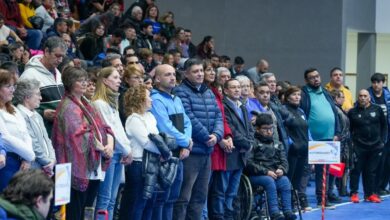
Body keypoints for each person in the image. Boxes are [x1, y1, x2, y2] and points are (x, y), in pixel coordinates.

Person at [52, 66, 114, 220]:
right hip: (74, 167)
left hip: (92, 165)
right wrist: (101, 147)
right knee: (74, 211)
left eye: (86, 79)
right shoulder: (68, 106)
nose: (85, 83)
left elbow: (105, 127)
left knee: (87, 209)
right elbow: (79, 134)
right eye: (80, 80)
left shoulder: (86, 103)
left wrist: (110, 144)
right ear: (70, 83)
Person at [173, 58, 224, 220]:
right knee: (184, 197)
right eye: (195, 71)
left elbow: (218, 116)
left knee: (200, 196)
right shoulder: (180, 91)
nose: (200, 74)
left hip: (207, 150)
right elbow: (187, 117)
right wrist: (206, 136)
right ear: (186, 74)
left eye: (201, 71)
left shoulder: (208, 91)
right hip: (192, 151)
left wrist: (217, 135)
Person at [150, 64, 193, 220]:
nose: (173, 77)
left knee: (172, 199)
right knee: (161, 199)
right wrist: (186, 142)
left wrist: (186, 143)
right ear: (157, 79)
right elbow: (165, 127)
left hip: (179, 154)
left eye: (174, 74)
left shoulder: (177, 99)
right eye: (168, 74)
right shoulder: (156, 99)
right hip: (164, 156)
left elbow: (187, 123)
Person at [92, 67, 133, 220]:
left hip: (119, 154)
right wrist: (126, 150)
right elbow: (110, 130)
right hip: (108, 156)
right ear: (104, 80)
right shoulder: (99, 104)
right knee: (104, 199)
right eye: (115, 77)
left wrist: (127, 149)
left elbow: (120, 129)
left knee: (112, 200)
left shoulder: (111, 103)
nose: (119, 80)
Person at [210, 79, 254, 219]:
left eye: (238, 87)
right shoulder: (224, 106)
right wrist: (247, 144)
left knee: (232, 191)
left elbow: (250, 129)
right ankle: (219, 216)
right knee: (221, 190)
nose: (237, 90)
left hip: (241, 155)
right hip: (228, 154)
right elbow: (231, 130)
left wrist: (250, 143)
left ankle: (229, 215)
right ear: (226, 91)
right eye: (233, 87)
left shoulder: (242, 107)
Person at [300, 68, 340, 209]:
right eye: (312, 77)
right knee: (306, 171)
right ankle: (302, 200)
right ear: (306, 80)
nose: (316, 79)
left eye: (317, 76)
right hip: (311, 139)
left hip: (329, 138)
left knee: (324, 172)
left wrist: (337, 133)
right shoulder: (304, 94)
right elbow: (301, 115)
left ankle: (322, 199)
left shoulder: (325, 92)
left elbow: (334, 113)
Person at [119, 84, 160, 220]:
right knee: (136, 203)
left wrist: (162, 149)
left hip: (152, 164)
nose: (151, 100)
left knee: (149, 203)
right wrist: (164, 152)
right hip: (137, 165)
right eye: (148, 97)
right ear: (140, 99)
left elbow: (158, 138)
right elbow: (147, 142)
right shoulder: (133, 119)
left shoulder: (150, 116)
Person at [245, 113, 296, 220]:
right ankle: (275, 213)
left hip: (274, 174)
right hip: (256, 175)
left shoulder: (278, 143)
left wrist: (281, 169)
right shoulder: (253, 143)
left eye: (271, 128)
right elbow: (248, 163)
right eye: (265, 129)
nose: (269, 131)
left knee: (285, 181)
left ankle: (287, 211)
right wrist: (265, 172)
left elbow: (284, 161)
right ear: (257, 129)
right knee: (269, 181)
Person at [20, 36, 67, 136]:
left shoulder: (58, 73)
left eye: (62, 56)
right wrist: (42, 113)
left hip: (59, 132)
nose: (60, 60)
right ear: (46, 51)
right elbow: (18, 106)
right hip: (41, 133)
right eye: (57, 55)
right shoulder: (29, 75)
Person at [348, 89, 388, 203]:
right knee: (356, 170)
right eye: (360, 96)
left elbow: (384, 125)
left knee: (371, 171)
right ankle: (354, 193)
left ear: (369, 97)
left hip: (376, 146)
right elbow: (349, 130)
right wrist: (352, 144)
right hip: (359, 146)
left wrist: (383, 141)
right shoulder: (352, 112)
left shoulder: (377, 109)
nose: (363, 98)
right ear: (358, 97)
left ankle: (369, 194)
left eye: (365, 96)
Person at [0, 69, 35, 192]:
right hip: (7, 163)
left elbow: (26, 135)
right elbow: (4, 138)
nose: (12, 89)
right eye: (8, 86)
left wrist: (27, 158)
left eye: (13, 86)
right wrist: (29, 155)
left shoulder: (13, 109)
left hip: (23, 161)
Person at [14, 78, 56, 175]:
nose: (41, 98)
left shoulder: (37, 115)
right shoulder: (19, 115)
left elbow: (47, 140)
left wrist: (52, 160)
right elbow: (34, 145)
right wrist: (48, 162)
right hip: (33, 170)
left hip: (46, 166)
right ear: (27, 97)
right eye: (38, 94)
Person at [283, 86, 312, 211]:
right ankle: (287, 204)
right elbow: (283, 130)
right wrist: (291, 144)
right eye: (294, 95)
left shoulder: (301, 111)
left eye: (299, 95)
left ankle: (294, 202)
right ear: (287, 97)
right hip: (292, 151)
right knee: (289, 178)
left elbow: (306, 130)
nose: (297, 97)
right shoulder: (284, 110)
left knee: (298, 178)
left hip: (303, 150)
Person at [367, 73, 390, 196]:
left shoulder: (388, 95)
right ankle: (374, 188)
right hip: (375, 134)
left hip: (388, 133)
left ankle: (383, 186)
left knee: (387, 163)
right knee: (377, 163)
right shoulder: (367, 95)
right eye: (374, 82)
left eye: (379, 82)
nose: (376, 84)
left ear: (383, 83)